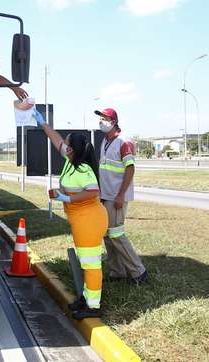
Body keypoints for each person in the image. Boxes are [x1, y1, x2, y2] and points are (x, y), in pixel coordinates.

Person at [33, 109, 108, 319]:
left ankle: (93, 307)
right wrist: (43, 123)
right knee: (86, 262)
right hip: (81, 220)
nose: (64, 145)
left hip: (89, 220)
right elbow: (56, 139)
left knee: (91, 264)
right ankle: (86, 299)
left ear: (73, 149)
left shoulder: (83, 169)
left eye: (68, 144)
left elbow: (94, 190)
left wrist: (66, 199)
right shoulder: (70, 159)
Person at [94, 108, 148, 284]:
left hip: (117, 196)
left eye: (105, 118)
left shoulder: (124, 142)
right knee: (107, 234)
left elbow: (130, 168)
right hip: (105, 196)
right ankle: (117, 271)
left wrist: (120, 195)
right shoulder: (105, 141)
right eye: (100, 118)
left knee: (116, 234)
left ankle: (138, 272)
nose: (101, 121)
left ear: (114, 121)